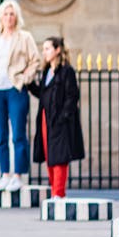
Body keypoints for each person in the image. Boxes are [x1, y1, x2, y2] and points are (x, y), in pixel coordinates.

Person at [0, 0, 40, 191]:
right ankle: (5, 174)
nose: (8, 18)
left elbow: (35, 61)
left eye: (12, 14)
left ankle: (18, 175)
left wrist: (24, 79)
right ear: (0, 17)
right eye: (5, 14)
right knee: (0, 135)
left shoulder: (25, 37)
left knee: (18, 134)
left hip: (15, 89)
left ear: (17, 17)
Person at [30, 37, 85, 198]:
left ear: (57, 50)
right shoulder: (47, 72)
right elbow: (42, 93)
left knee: (60, 157)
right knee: (49, 155)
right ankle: (54, 190)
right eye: (44, 49)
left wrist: (63, 117)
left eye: (47, 48)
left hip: (60, 121)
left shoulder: (66, 71)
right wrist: (28, 83)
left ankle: (58, 193)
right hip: (47, 119)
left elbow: (72, 96)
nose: (44, 52)